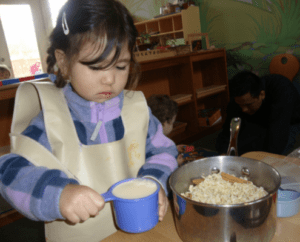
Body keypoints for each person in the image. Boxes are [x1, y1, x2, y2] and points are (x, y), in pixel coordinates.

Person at [0, 1, 178, 241]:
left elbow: (164, 152)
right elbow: (9, 171)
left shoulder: (136, 111)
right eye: (95, 67)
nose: (109, 79)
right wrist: (58, 194)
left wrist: (154, 180)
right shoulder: (52, 120)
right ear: (63, 62)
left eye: (121, 66)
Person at [216, 70, 300, 156]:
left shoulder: (282, 91)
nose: (244, 109)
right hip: (259, 118)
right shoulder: (238, 98)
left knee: (276, 151)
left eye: (248, 105)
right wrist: (224, 152)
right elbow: (229, 129)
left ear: (262, 94)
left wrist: (263, 161)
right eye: (240, 105)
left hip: (289, 121)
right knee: (243, 143)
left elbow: (278, 134)